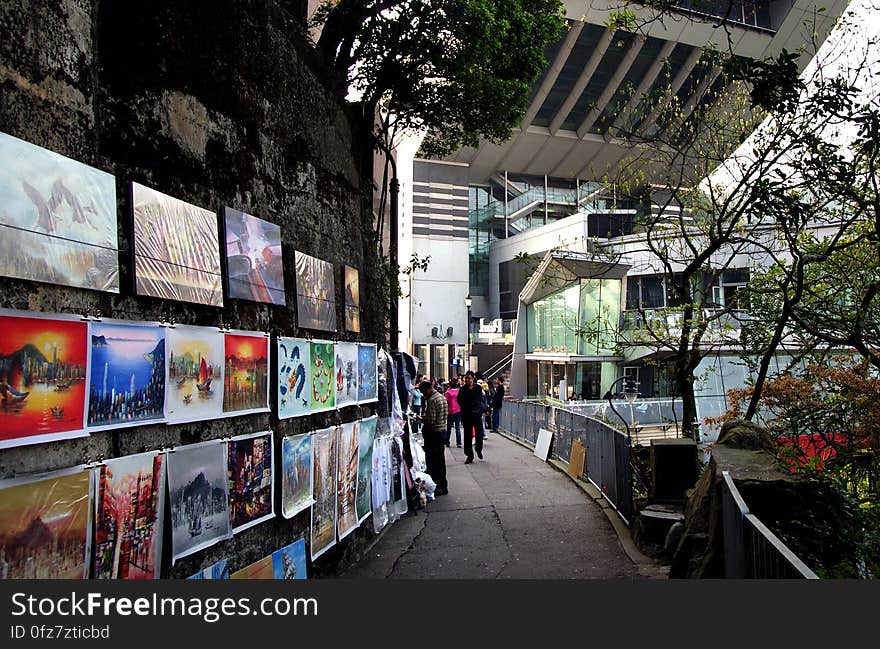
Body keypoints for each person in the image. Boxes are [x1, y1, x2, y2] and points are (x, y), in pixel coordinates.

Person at [417, 380, 448, 496]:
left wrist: (421, 419)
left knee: (434, 461)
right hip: (442, 431)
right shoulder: (441, 397)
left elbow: (431, 420)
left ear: (428, 389)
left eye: (423, 391)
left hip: (434, 433)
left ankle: (437, 485)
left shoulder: (432, 400)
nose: (423, 394)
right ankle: (443, 485)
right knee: (440, 460)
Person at [457, 371, 486, 464]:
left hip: (477, 414)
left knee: (479, 434)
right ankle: (469, 455)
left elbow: (481, 399)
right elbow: (459, 400)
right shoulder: (463, 389)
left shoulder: (478, 387)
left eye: (469, 378)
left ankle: (478, 449)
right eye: (466, 378)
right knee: (468, 435)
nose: (467, 380)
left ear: (473, 378)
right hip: (467, 415)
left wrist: (481, 408)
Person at [444, 377, 462, 447]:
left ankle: (447, 442)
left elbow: (446, 402)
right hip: (458, 410)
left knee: (448, 428)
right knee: (457, 427)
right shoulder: (459, 391)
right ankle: (459, 443)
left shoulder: (448, 392)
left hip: (450, 411)